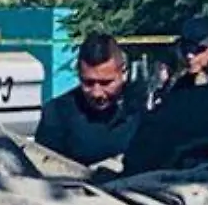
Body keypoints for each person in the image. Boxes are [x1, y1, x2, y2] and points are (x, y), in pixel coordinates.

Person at [33, 31, 148, 166]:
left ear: (123, 73)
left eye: (106, 83)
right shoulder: (57, 114)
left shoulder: (144, 109)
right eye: (88, 83)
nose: (96, 93)